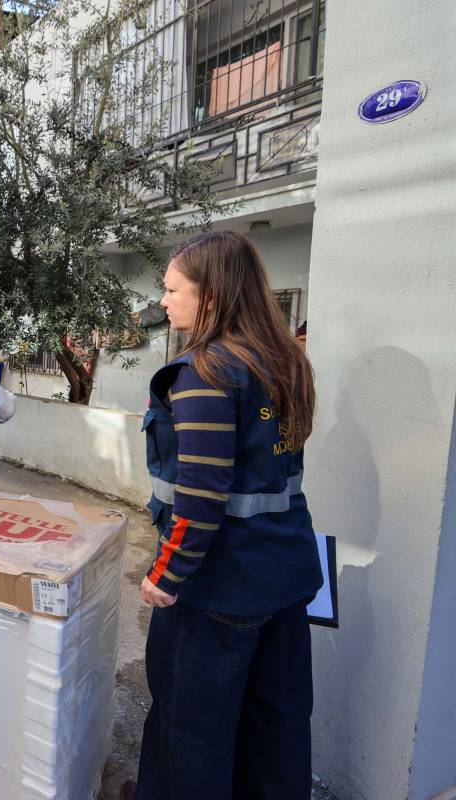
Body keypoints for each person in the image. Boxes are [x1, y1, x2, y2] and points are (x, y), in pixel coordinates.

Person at [126, 231, 323, 800]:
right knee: (275, 727)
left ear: (209, 294)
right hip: (284, 577)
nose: (162, 302)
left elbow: (202, 494)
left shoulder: (206, 372)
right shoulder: (284, 362)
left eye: (171, 289)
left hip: (218, 589)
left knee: (191, 735)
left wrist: (166, 574)